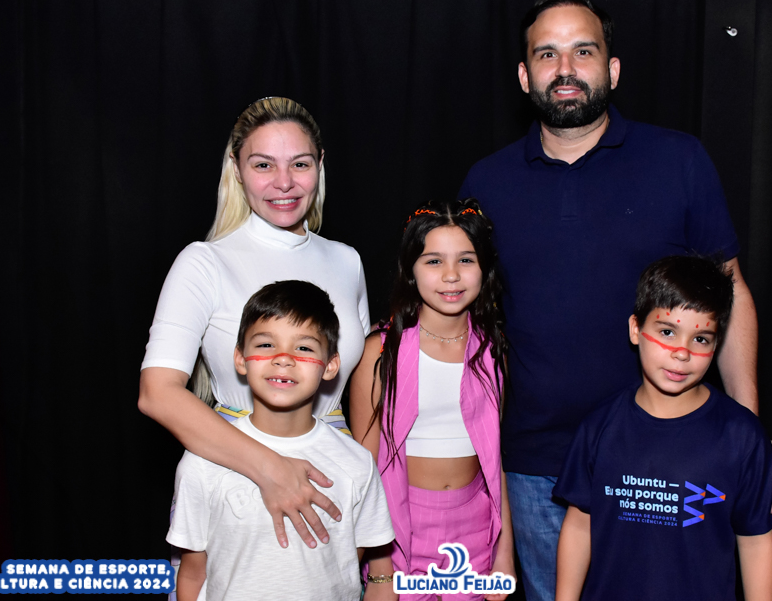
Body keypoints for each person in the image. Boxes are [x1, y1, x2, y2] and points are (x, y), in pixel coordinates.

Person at [458, 0, 772, 601]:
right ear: (525, 76)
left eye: (582, 51)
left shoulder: (678, 160)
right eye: (547, 54)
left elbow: (730, 291)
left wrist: (749, 435)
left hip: (672, 459)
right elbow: (462, 316)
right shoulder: (487, 182)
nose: (565, 68)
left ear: (611, 69)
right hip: (535, 465)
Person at [140, 97, 370, 553]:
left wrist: (368, 490)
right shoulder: (204, 263)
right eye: (263, 164)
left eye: (300, 163)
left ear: (320, 164)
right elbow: (157, 393)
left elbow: (361, 389)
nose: (284, 182)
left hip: (333, 482)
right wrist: (272, 469)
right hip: (234, 478)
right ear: (237, 168)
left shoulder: (346, 261)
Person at [553, 256, 772, 600]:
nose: (682, 353)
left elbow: (756, 542)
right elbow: (580, 524)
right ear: (635, 329)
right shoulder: (599, 427)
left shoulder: (742, 436)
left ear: (717, 343)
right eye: (668, 332)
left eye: (700, 339)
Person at [169, 281, 395, 601]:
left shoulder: (356, 463)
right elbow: (193, 574)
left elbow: (366, 572)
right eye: (265, 344)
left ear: (330, 365)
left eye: (304, 348)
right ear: (240, 359)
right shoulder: (202, 463)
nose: (283, 358)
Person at [349, 199, 514, 600]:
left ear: (484, 268)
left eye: (466, 260)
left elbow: (495, 461)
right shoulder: (379, 351)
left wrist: (505, 553)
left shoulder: (492, 350)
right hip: (397, 532)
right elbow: (363, 472)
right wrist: (380, 572)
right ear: (411, 269)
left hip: (475, 533)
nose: (451, 275)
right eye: (434, 261)